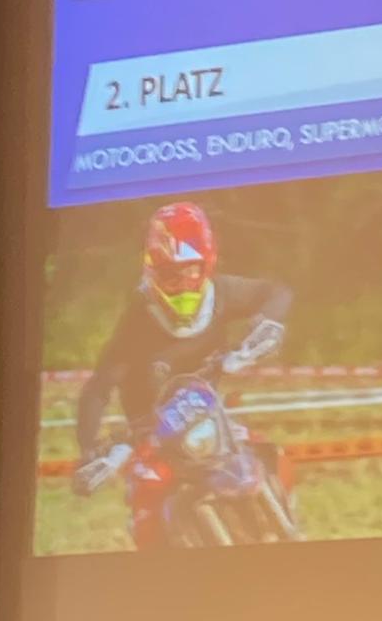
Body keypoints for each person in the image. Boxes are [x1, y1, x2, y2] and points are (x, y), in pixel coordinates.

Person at [73, 200, 291, 537]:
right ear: (153, 272)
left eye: (191, 271)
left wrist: (268, 325)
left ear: (207, 265)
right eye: (171, 275)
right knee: (146, 507)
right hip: (151, 432)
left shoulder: (222, 293)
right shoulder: (137, 320)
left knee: (267, 453)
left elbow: (275, 291)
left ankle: (288, 521)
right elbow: (98, 388)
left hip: (208, 412)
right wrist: (90, 450)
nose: (183, 282)